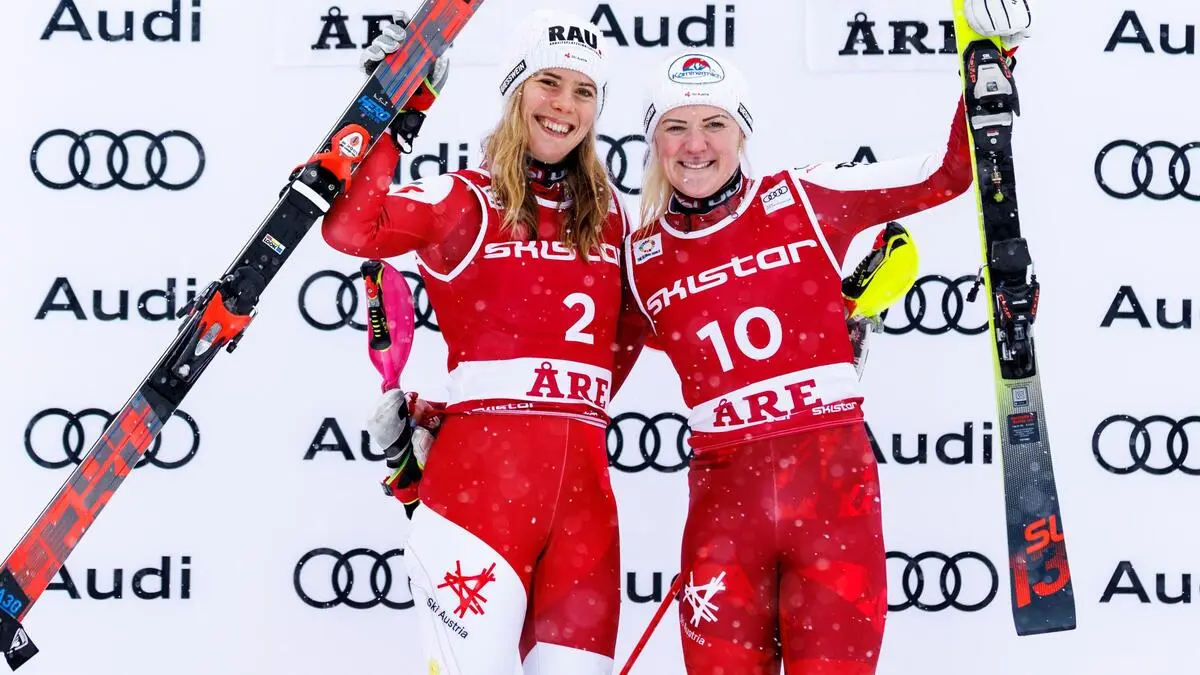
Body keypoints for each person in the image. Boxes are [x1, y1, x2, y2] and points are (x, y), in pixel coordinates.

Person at [621, 3, 1031, 673]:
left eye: (714, 123)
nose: (695, 145)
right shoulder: (640, 258)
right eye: (676, 126)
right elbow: (581, 379)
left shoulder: (808, 197)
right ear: (653, 140)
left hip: (832, 503)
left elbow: (948, 174)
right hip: (726, 517)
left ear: (741, 131)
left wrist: (992, 58)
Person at [321, 9, 645, 675]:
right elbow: (351, 230)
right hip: (478, 504)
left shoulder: (614, 217)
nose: (564, 105)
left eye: (584, 91)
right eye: (548, 82)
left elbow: (643, 332)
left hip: (584, 514)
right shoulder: (465, 200)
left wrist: (829, 327)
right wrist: (389, 114)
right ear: (515, 88)